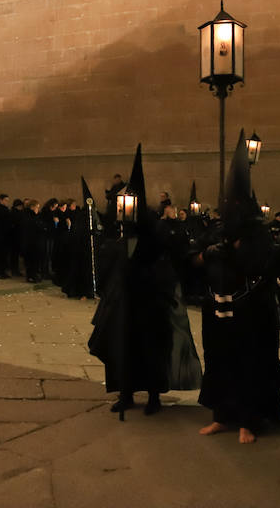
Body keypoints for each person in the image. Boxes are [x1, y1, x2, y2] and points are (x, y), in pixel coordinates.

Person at [89, 144, 201, 417]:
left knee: (151, 350)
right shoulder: (120, 238)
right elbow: (110, 266)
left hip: (150, 304)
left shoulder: (155, 238)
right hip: (123, 304)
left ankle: (153, 396)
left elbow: (167, 265)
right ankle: (125, 393)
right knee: (122, 348)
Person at [193, 132, 280, 444]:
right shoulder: (218, 229)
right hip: (218, 309)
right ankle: (222, 416)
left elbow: (262, 265)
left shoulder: (257, 232)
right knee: (219, 362)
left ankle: (249, 422)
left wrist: (234, 253)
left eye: (235, 202)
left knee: (248, 364)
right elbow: (194, 258)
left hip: (250, 312)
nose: (229, 206)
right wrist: (207, 254)